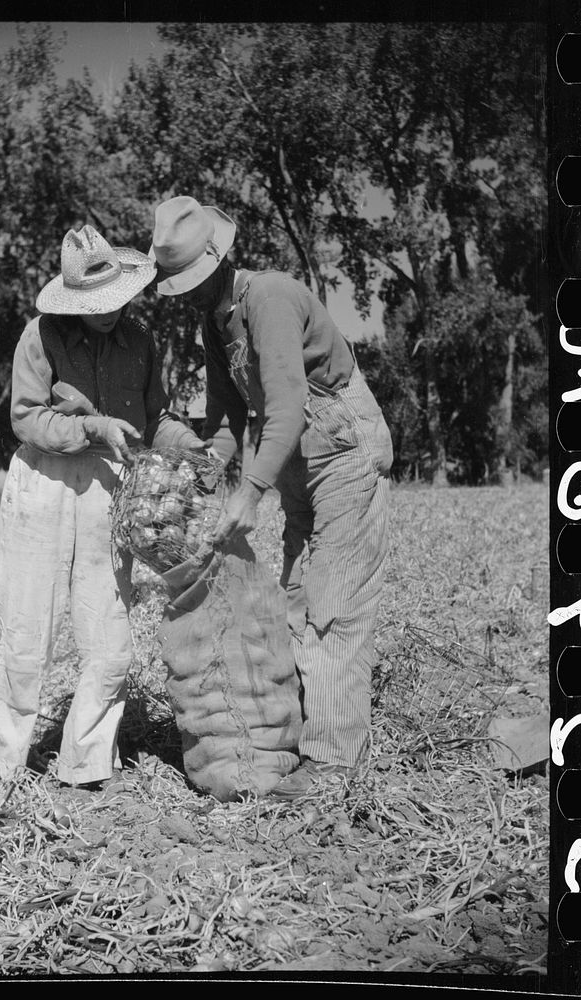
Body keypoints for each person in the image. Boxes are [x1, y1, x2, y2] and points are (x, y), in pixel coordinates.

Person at [149, 196, 393, 800]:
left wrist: (250, 493)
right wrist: (211, 474)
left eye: (194, 283)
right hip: (293, 460)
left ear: (219, 259)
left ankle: (334, 765)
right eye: (179, 288)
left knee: (334, 600)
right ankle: (293, 735)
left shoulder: (272, 298)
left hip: (341, 448)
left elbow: (283, 405)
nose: (188, 296)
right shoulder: (215, 321)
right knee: (289, 597)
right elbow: (233, 419)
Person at [0, 224, 205, 791]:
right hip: (44, 481)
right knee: (27, 630)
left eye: (115, 300)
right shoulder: (40, 336)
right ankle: (5, 763)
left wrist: (192, 446)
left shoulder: (140, 342)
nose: (108, 312)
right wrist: (93, 425)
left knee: (109, 636)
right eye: (94, 304)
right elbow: (26, 418)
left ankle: (83, 764)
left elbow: (155, 419)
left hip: (109, 490)